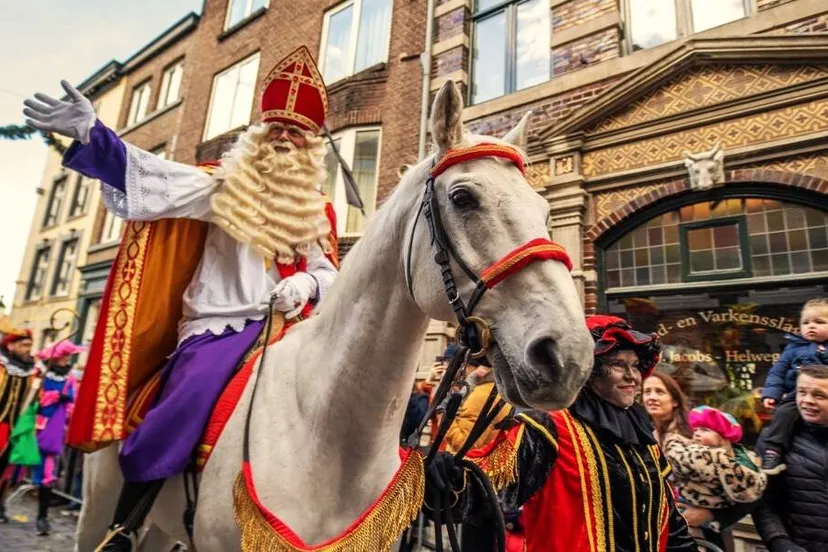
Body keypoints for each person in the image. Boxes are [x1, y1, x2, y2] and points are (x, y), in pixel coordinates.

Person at [23, 46, 338, 551]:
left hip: (292, 328)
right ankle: (126, 523)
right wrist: (92, 134)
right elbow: (150, 175)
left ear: (312, 146)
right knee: (185, 402)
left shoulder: (316, 210)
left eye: (295, 132)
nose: (283, 139)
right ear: (257, 137)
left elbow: (328, 272)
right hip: (222, 327)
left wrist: (308, 284)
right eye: (274, 128)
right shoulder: (219, 184)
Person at [469, 315, 696, 551]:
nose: (632, 376)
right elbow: (481, 488)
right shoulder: (549, 427)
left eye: (636, 366)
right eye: (618, 364)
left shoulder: (641, 435)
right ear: (588, 370)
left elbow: (670, 523)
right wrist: (438, 473)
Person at [752, 364, 828, 552]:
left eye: (819, 395)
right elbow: (763, 501)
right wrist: (779, 542)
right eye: (802, 392)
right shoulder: (774, 442)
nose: (807, 401)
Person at [663, 406, 766, 539]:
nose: (697, 433)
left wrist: (711, 515)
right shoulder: (686, 451)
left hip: (711, 523)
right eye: (695, 430)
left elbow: (749, 488)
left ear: (723, 439)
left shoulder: (731, 463)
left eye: (704, 430)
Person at [760, 297, 828, 474]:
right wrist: (772, 393)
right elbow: (778, 371)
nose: (811, 326)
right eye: (805, 323)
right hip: (793, 394)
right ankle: (773, 451)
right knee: (783, 414)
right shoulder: (794, 347)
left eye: (819, 322)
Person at [30, 340, 84, 536]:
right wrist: (49, 397)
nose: (67, 360)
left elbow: (73, 403)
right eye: (65, 356)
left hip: (53, 431)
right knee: (13, 468)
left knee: (48, 474)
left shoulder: (69, 379)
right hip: (31, 428)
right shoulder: (39, 374)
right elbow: (32, 398)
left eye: (69, 357)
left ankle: (42, 517)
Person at [0, 328, 35, 523]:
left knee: (6, 468)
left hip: (16, 426)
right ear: (11, 345)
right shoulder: (2, 366)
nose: (27, 349)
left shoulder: (30, 370)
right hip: (0, 424)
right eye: (24, 345)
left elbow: (31, 400)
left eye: (29, 345)